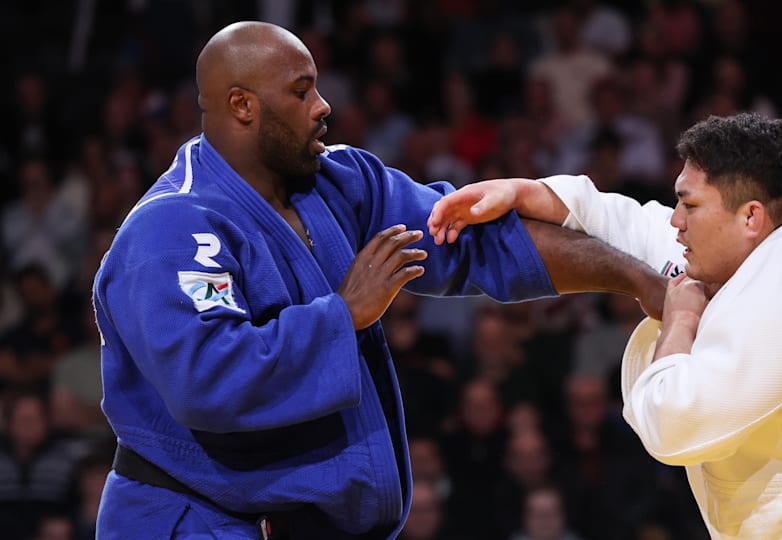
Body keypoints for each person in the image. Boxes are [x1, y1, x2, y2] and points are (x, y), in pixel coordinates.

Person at [92, 21, 667, 540]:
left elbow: (474, 240)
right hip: (192, 521)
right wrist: (343, 315)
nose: (322, 106)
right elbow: (206, 377)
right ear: (242, 105)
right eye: (300, 91)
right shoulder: (172, 228)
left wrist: (633, 275)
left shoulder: (339, 182)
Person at [428, 112, 782, 538]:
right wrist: (520, 190)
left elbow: (668, 427)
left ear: (750, 217)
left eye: (690, 205)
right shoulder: (759, 250)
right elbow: (624, 220)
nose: (676, 221)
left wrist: (680, 319)